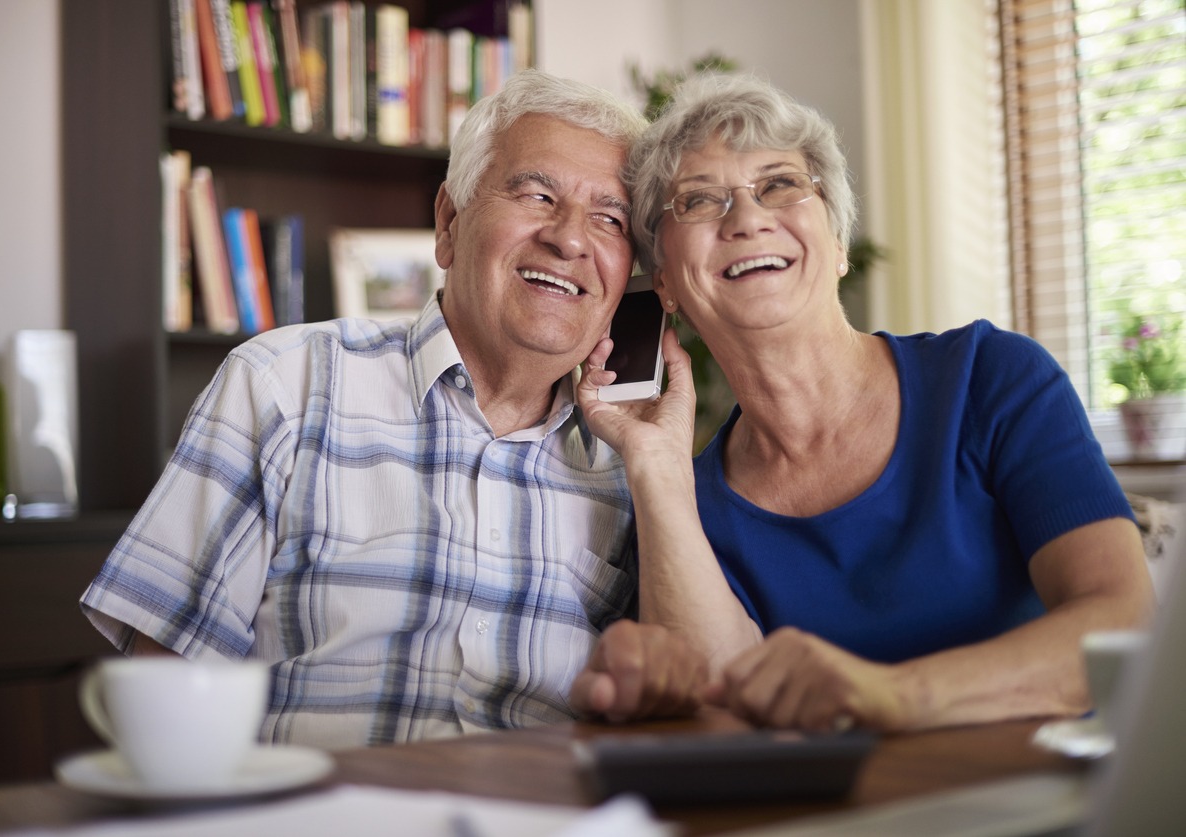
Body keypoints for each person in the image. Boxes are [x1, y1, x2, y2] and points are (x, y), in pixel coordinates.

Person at [80, 70, 661, 750]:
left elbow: (683, 705)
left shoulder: (634, 452)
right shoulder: (282, 384)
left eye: (610, 218)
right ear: (448, 222)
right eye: (536, 193)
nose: (569, 239)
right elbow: (165, 689)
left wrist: (657, 464)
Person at [574, 72, 1156, 733]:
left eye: (780, 184)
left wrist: (893, 694)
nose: (747, 218)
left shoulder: (992, 379)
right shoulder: (687, 504)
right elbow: (719, 712)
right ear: (666, 283)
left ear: (840, 241)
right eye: (699, 201)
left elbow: (1122, 622)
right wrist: (655, 465)